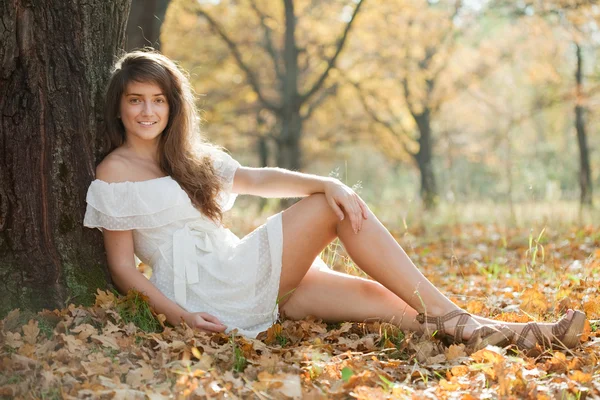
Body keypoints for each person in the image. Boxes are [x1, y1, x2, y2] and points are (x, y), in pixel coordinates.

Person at [84, 50, 585, 352]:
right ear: (120, 106)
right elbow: (124, 269)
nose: (148, 111)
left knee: (377, 301)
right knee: (329, 209)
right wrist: (181, 317)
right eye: (136, 100)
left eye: (158, 99)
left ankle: (508, 333)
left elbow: (261, 179)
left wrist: (325, 179)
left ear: (173, 106)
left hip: (237, 270)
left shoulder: (191, 159)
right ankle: (468, 321)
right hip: (208, 291)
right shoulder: (115, 173)